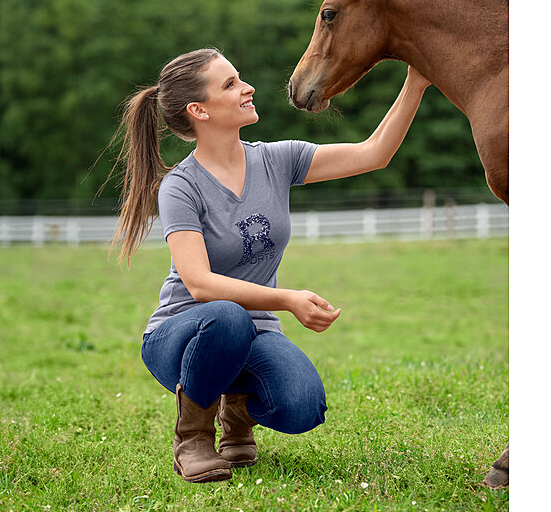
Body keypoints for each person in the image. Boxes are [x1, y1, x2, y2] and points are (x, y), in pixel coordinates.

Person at [110, 47, 430, 483]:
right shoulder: (180, 187)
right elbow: (201, 285)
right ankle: (194, 439)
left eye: (239, 78)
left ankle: (236, 412)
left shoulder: (277, 160)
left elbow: (373, 154)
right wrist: (287, 299)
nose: (248, 88)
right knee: (226, 317)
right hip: (183, 337)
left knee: (303, 406)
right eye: (231, 84)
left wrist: (417, 81)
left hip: (254, 331)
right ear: (198, 110)